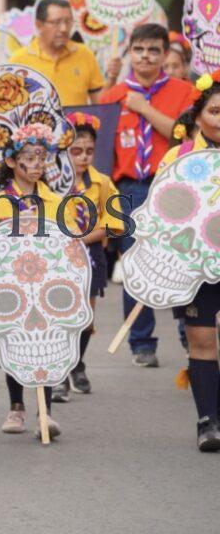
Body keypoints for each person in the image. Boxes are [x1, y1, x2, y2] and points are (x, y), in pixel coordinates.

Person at [98, 23, 198, 368]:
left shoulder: (183, 91)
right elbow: (102, 153)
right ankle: (142, 342)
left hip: (170, 183)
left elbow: (181, 133)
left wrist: (142, 107)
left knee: (180, 260)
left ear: (163, 54)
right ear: (130, 52)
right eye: (139, 50)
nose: (146, 56)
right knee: (135, 263)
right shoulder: (112, 96)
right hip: (128, 187)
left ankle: (190, 333)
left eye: (154, 50)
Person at [0, 123, 76, 439]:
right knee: (16, 344)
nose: (36, 165)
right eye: (29, 158)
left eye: (42, 158)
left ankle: (46, 413)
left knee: (47, 346)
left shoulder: (55, 202)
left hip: (46, 285)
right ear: (11, 162)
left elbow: (71, 240)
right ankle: (16, 407)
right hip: (10, 285)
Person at [154, 75, 220, 451]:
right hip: (195, 264)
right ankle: (207, 420)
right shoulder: (176, 159)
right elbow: (162, 214)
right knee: (202, 339)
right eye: (214, 111)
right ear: (198, 117)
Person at [50, 112, 123, 402]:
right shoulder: (51, 183)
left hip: (90, 252)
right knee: (59, 314)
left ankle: (77, 364)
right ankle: (59, 373)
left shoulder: (102, 182)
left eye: (89, 151)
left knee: (83, 316)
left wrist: (83, 238)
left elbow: (114, 220)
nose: (83, 157)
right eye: (76, 151)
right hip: (57, 254)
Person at [9, 0, 107, 107]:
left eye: (68, 22)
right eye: (56, 22)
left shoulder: (85, 54)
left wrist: (112, 78)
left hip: (77, 124)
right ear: (39, 25)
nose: (64, 29)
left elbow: (100, 105)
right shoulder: (19, 60)